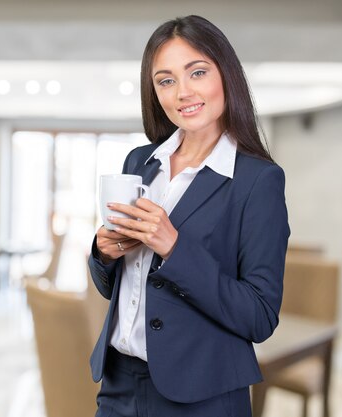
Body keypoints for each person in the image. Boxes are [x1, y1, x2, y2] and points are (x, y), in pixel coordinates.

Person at [88, 15, 290, 417]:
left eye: (197, 72)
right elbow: (117, 288)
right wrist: (103, 253)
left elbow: (260, 316)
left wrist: (174, 248)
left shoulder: (258, 180)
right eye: (165, 80)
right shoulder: (140, 161)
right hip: (118, 386)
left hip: (203, 397)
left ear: (226, 75)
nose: (183, 92)